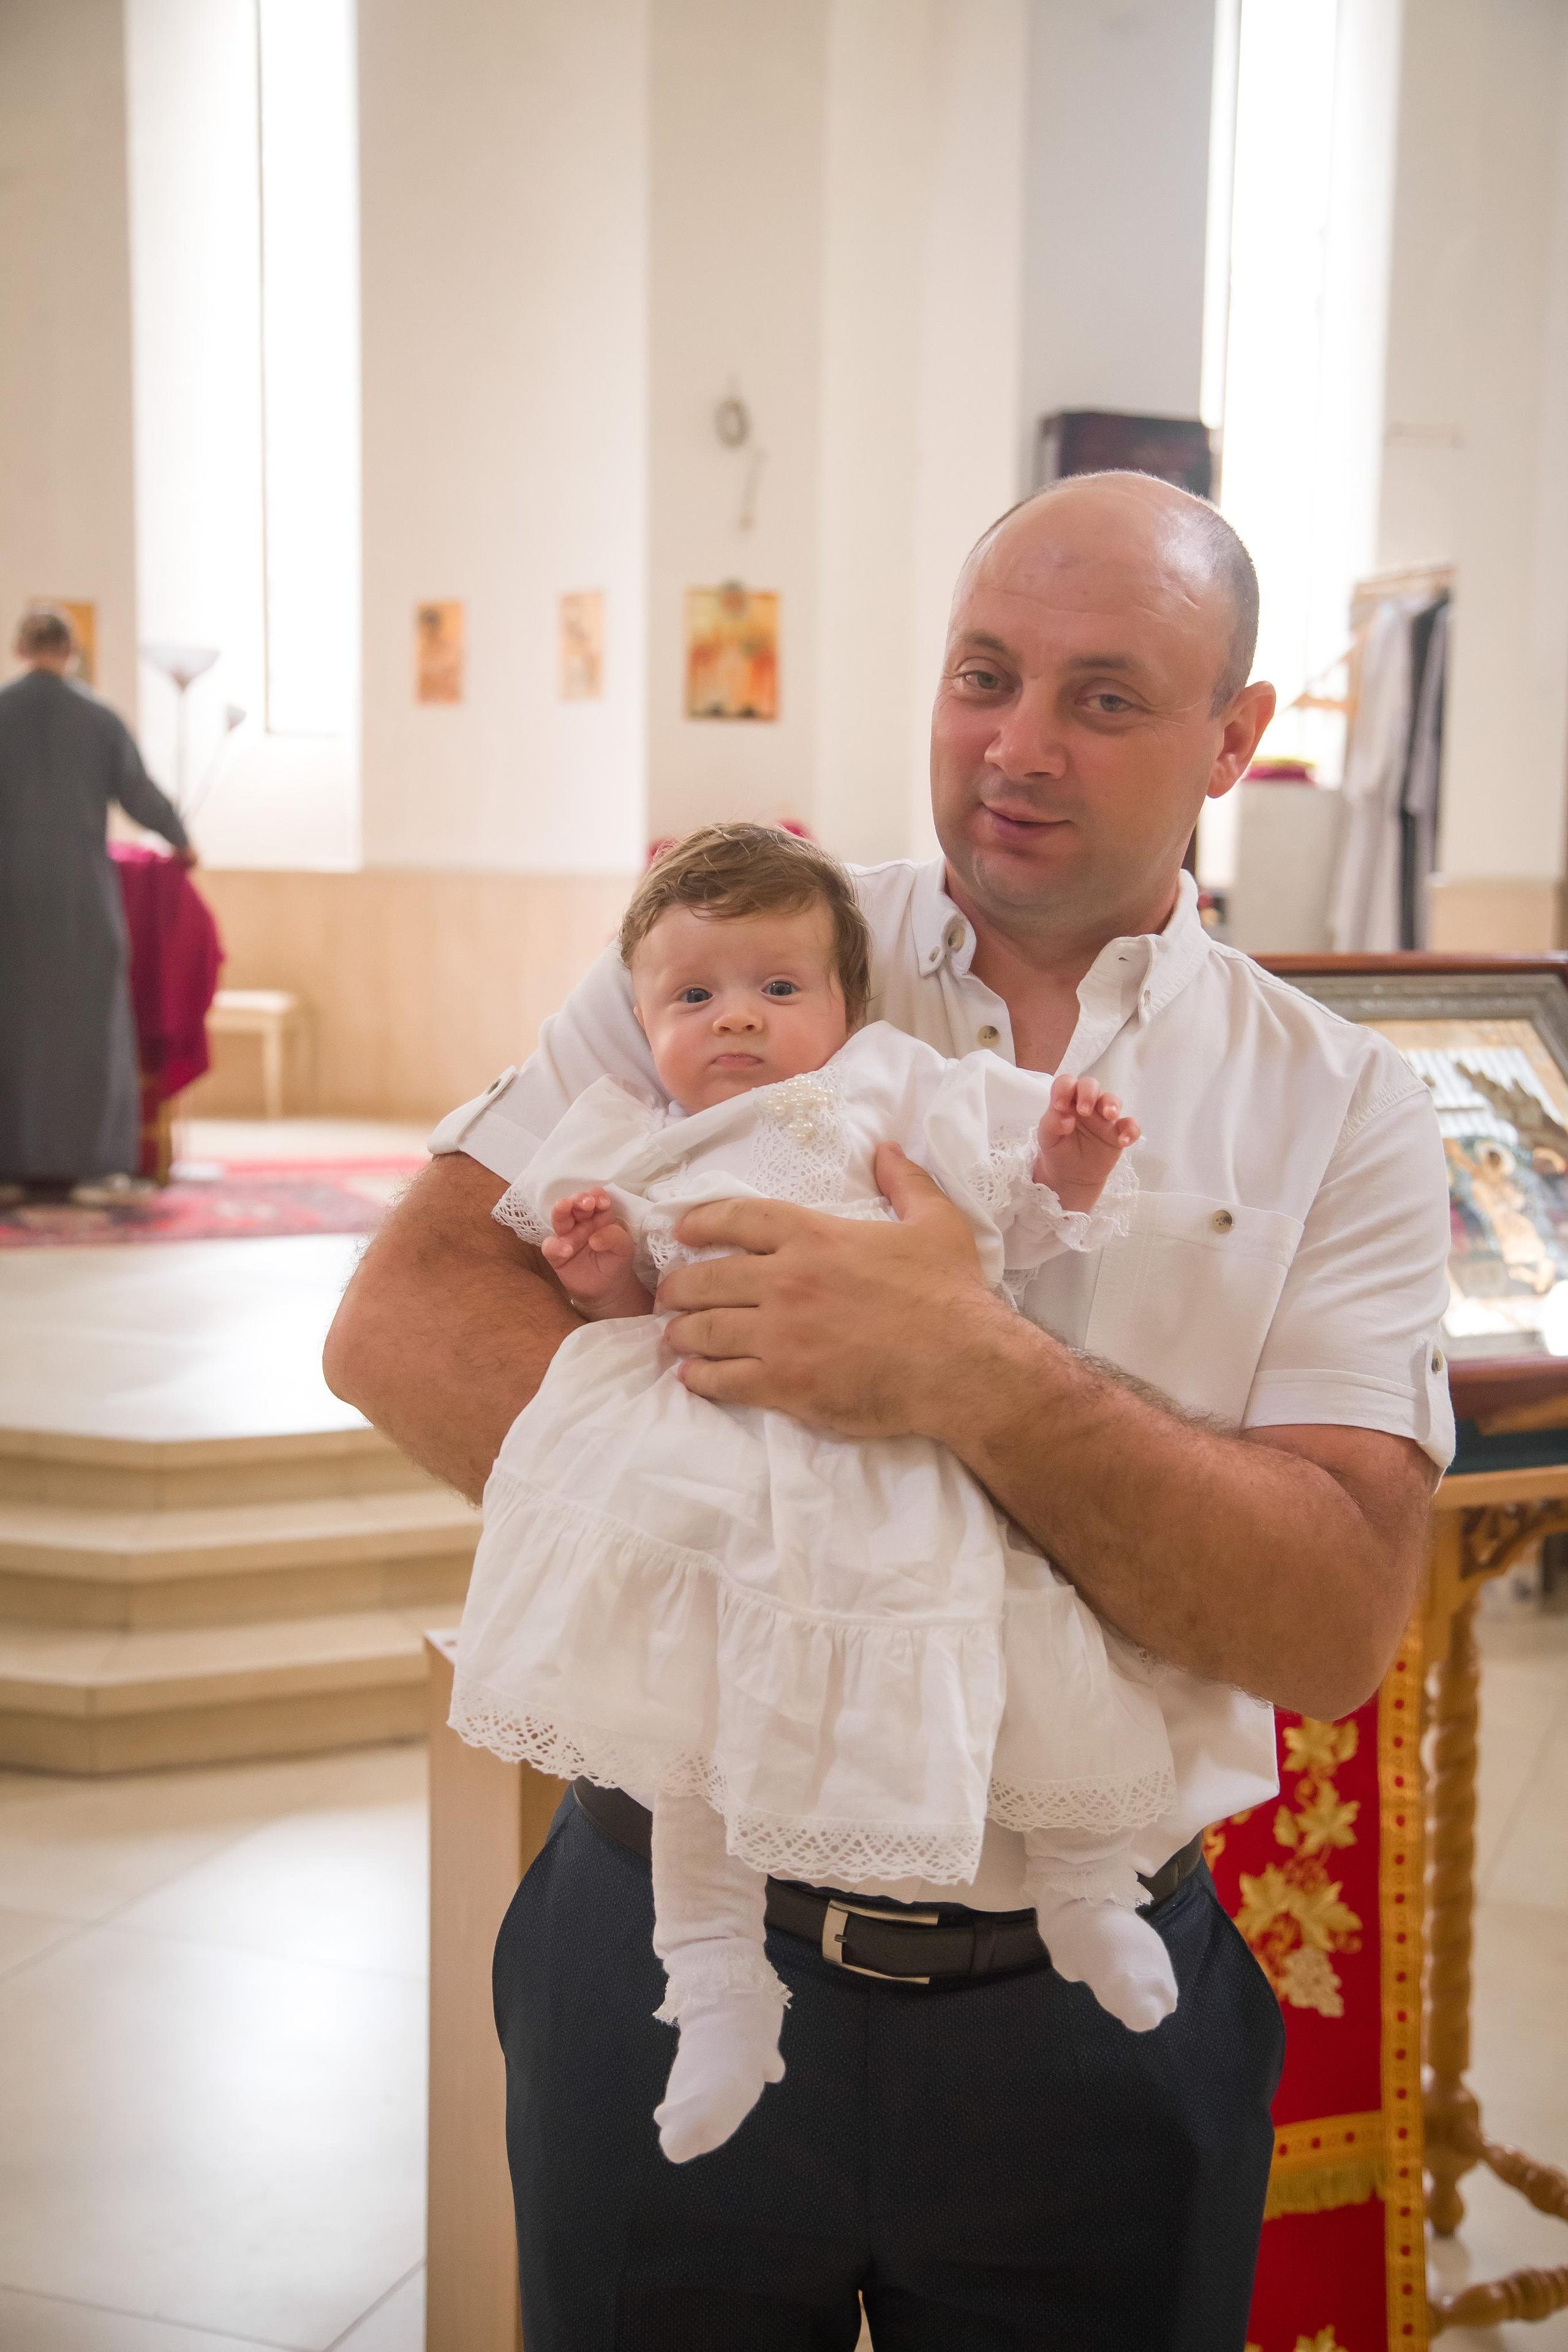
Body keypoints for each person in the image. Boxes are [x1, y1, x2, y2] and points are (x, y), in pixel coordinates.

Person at [325, 472, 1456, 2348]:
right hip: (674, 1938)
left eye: (1104, 697)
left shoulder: (1339, 1102)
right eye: (982, 674)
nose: (1017, 746)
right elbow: (407, 1319)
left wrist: (967, 1372)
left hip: (1086, 2021)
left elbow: (1331, 1616)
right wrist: (773, 1520)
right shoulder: (748, 950)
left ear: (1233, 739)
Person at [453, 823, 1216, 2169]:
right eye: (694, 997)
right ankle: (716, 1987)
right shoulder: (640, 1140)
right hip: (723, 1472)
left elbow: (1008, 1220)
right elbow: (637, 1305)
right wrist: (598, 1269)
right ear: (641, 1022)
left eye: (777, 987)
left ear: (845, 1006)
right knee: (696, 1745)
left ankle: (1085, 1889)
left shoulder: (890, 1086)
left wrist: (1067, 1164)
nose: (737, 1018)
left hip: (903, 1456)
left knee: (1026, 1652)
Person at [0, 608, 195, 1193]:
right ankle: (93, 1166)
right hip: (80, 895)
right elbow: (138, 792)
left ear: (19, 648)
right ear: (72, 651)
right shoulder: (98, 718)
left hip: (10, 893)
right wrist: (181, 839)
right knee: (90, 1025)